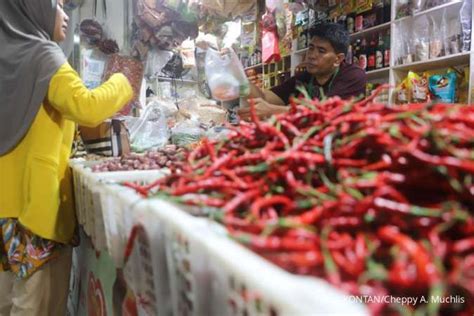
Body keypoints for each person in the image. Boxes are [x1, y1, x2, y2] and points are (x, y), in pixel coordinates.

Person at [0, 0, 133, 314]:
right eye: (56, 5)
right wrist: (122, 81)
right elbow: (85, 108)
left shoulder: (7, 57)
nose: (64, 13)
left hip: (6, 205)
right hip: (35, 205)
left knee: (7, 299)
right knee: (37, 302)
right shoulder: (43, 55)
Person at [239, 22, 367, 120]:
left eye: (321, 51)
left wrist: (273, 111)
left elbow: (327, 113)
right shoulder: (304, 78)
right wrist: (238, 80)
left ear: (338, 59)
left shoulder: (353, 75)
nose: (311, 55)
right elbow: (265, 97)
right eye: (311, 48)